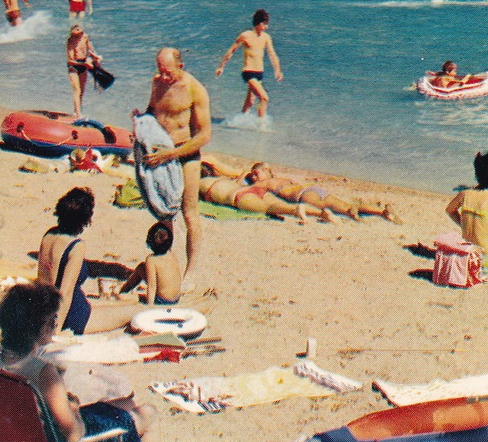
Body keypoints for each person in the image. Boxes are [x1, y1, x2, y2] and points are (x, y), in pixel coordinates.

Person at [0, 282, 161, 442]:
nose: (55, 325)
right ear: (38, 328)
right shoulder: (43, 373)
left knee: (127, 404)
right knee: (148, 413)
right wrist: (74, 408)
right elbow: (74, 433)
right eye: (52, 320)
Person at [141, 48, 212, 275]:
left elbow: (204, 135)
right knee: (164, 213)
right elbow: (153, 111)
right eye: (160, 71)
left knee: (189, 212)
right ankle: (166, 267)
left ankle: (190, 272)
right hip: (161, 154)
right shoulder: (157, 83)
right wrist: (141, 122)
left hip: (185, 155)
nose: (163, 77)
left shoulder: (195, 89)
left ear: (180, 66)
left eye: (167, 72)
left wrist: (171, 154)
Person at [35, 188, 141, 335]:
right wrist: (56, 332)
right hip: (70, 316)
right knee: (135, 312)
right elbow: (65, 292)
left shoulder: (49, 235)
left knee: (111, 309)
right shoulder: (76, 246)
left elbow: (41, 282)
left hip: (43, 312)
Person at [211, 160, 398, 222]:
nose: (253, 177)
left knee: (333, 207)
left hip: (303, 195)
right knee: (346, 205)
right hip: (312, 189)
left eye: (255, 173)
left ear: (266, 171)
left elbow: (243, 188)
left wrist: (242, 175)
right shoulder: (282, 178)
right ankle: (381, 212)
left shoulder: (266, 183)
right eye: (252, 175)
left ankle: (356, 213)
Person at [445, 151, 488, 276]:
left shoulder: (464, 194)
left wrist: (464, 224)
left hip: (468, 254)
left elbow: (449, 210)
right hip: (486, 258)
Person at [197, 165, 333, 222]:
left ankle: (295, 210)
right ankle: (321, 213)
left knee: (269, 208)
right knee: (277, 203)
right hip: (252, 190)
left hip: (239, 196)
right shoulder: (223, 179)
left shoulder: (200, 184)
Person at [215, 9, 284, 120]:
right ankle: (261, 126)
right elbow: (231, 50)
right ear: (259, 23)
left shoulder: (266, 37)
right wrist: (221, 66)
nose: (267, 27)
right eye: (265, 24)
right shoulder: (245, 35)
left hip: (259, 73)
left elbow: (272, 55)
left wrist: (278, 70)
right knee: (264, 98)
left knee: (250, 101)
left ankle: (239, 121)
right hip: (249, 72)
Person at [117, 221, 182, 305]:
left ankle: (123, 292)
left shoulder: (151, 260)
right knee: (141, 268)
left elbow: (152, 286)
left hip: (162, 301)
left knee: (122, 297)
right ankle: (124, 290)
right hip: (176, 299)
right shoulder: (172, 255)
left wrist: (149, 307)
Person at [66, 26, 102, 118]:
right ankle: (78, 114)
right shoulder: (70, 41)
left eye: (80, 31)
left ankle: (76, 111)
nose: (79, 34)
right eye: (76, 31)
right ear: (72, 32)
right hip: (74, 66)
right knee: (77, 90)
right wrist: (85, 64)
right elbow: (70, 60)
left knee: (82, 91)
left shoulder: (85, 37)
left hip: (84, 64)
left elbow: (90, 50)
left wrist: (95, 57)